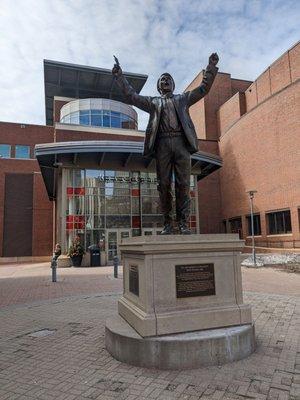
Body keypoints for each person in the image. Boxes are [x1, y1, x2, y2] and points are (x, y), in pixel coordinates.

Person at [112, 53, 219, 234]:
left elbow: (203, 89)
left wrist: (211, 67)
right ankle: (168, 223)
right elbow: (131, 96)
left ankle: (183, 223)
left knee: (184, 184)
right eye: (162, 79)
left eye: (168, 79)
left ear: (173, 84)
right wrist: (120, 77)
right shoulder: (153, 102)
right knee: (163, 184)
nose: (165, 81)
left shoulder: (183, 99)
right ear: (159, 86)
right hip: (162, 144)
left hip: (181, 144)